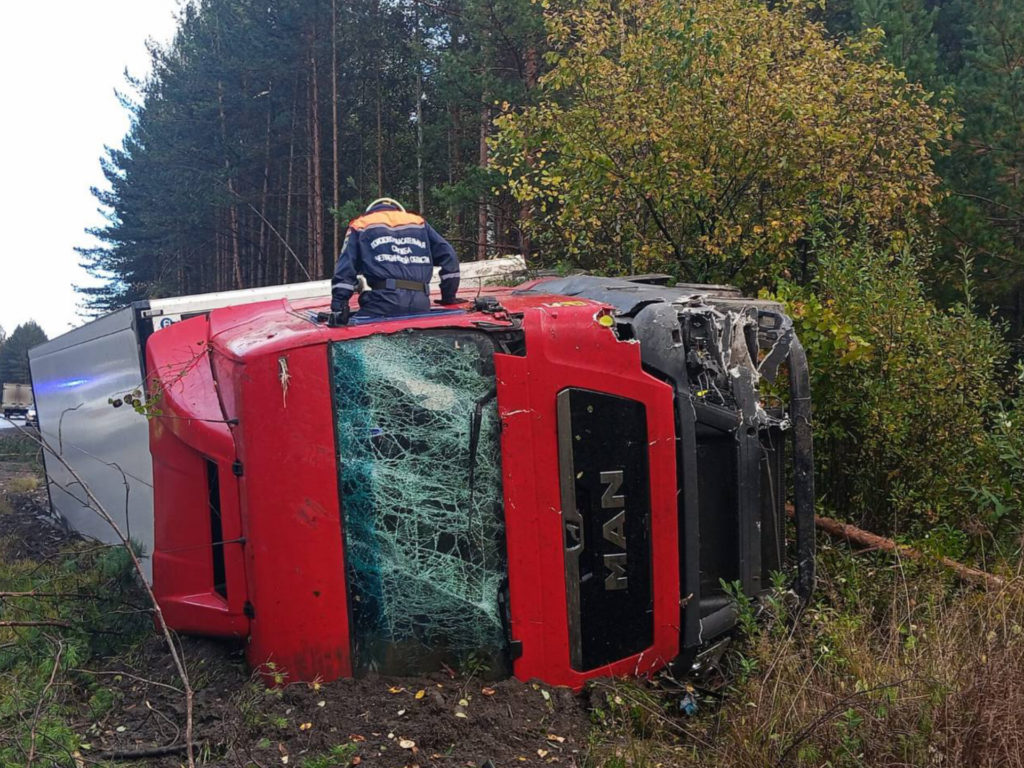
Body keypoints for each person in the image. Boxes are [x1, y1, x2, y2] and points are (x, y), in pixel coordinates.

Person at [330, 198, 461, 318]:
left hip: (383, 302)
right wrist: (448, 297)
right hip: (421, 303)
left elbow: (345, 271)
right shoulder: (418, 223)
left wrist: (339, 306)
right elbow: (449, 257)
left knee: (356, 334)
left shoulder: (361, 225)